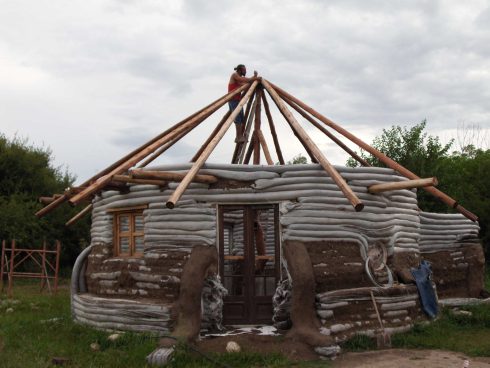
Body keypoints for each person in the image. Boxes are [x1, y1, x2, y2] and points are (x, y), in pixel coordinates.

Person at [228, 64, 259, 142]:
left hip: (238, 101)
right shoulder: (234, 75)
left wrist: (254, 77)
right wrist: (255, 77)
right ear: (239, 70)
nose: (245, 71)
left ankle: (239, 136)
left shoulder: (239, 79)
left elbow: (246, 82)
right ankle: (238, 137)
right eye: (244, 70)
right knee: (237, 119)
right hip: (233, 100)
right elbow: (246, 80)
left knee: (241, 119)